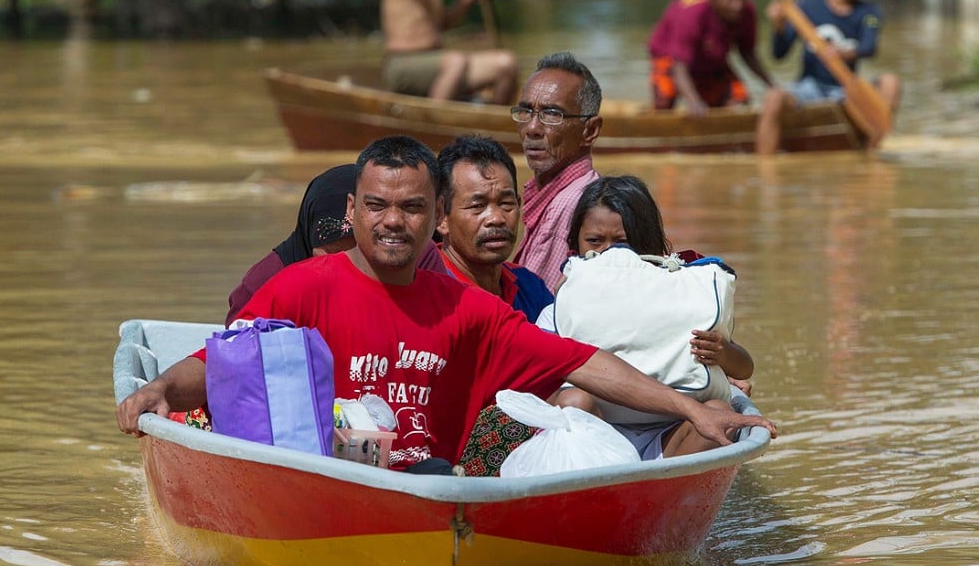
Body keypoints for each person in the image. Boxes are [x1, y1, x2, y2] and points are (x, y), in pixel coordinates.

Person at [117, 135, 774, 473]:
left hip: (435, 481)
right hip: (336, 477)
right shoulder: (302, 288)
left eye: (410, 207)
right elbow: (225, 360)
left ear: (433, 217)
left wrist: (692, 408)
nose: (392, 223)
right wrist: (161, 390)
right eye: (376, 207)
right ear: (354, 210)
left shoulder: (464, 309)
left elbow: (582, 361)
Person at [539, 175, 755, 460]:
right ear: (575, 244)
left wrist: (721, 352)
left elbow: (744, 368)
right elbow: (539, 383)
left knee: (719, 413)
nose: (608, 253)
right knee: (572, 401)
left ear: (649, 244)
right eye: (595, 241)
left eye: (622, 242)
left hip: (673, 436)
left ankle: (669, 486)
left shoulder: (683, 297)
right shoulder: (559, 310)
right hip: (596, 439)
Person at [224, 164, 445, 325]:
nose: (346, 261)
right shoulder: (263, 284)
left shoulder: (414, 256)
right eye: (333, 253)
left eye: (356, 249)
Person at [755, 0, 902, 155]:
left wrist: (844, 53)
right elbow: (779, 55)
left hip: (846, 90)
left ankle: (871, 153)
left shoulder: (870, 13)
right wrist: (777, 26)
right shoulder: (805, 6)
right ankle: (766, 172)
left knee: (891, 82)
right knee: (773, 98)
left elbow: (869, 48)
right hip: (809, 87)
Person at [376, 0, 518, 104]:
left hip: (436, 63)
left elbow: (443, 24)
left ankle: (489, 124)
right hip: (403, 65)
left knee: (506, 65)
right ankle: (432, 123)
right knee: (455, 62)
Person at [511, 51, 603, 290]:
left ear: (590, 130)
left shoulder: (568, 205)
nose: (532, 128)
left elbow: (534, 309)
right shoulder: (573, 193)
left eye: (552, 114)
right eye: (526, 111)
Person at [436, 135, 552, 323]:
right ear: (440, 217)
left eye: (506, 203)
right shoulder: (428, 292)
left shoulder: (530, 288)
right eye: (477, 206)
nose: (496, 219)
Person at [648, 0, 774, 115]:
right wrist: (694, 101)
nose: (738, 5)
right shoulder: (693, 13)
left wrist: (771, 86)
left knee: (740, 101)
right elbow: (678, 65)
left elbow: (748, 53)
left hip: (711, 62)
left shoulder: (746, 11)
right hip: (671, 60)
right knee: (664, 102)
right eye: (731, 0)